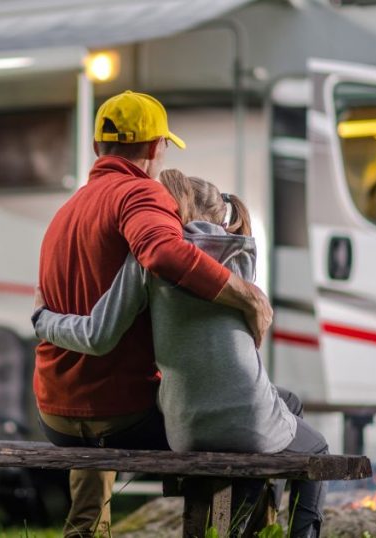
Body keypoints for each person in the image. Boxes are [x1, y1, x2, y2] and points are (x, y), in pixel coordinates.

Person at [34, 170, 329, 538]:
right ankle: (276, 528)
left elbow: (98, 334)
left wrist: (43, 320)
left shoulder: (142, 260)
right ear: (223, 215)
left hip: (183, 426)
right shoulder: (241, 254)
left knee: (280, 411)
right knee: (316, 450)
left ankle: (240, 521)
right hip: (243, 415)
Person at [34, 91, 273, 537]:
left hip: (55, 416)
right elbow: (164, 250)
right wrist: (246, 295)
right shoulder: (140, 193)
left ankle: (85, 530)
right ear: (153, 148)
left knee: (103, 394)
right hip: (119, 415)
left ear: (96, 149)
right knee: (219, 433)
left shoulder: (66, 212)